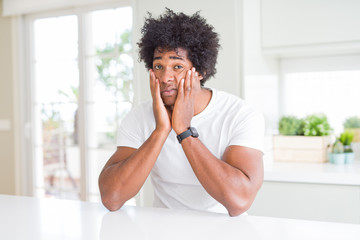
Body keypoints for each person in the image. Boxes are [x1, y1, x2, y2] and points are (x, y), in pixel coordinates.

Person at [98, 9, 264, 217]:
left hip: (225, 231)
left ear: (201, 71)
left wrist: (184, 131)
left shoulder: (240, 115)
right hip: (163, 230)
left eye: (177, 66)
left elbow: (239, 201)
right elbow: (111, 198)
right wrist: (160, 131)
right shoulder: (139, 117)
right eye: (158, 66)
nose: (165, 77)